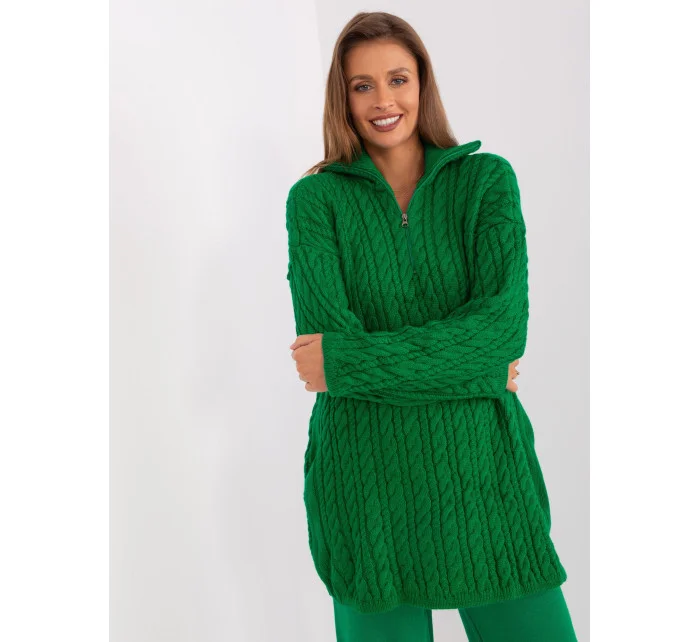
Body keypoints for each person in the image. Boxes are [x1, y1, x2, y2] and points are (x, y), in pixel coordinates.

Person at [285, 11, 578, 642]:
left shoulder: (486, 182)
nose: (383, 101)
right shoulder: (315, 201)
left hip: (485, 480)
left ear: (423, 84)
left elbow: (500, 332)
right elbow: (325, 338)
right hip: (364, 489)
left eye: (398, 79)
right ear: (342, 97)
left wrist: (348, 363)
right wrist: (473, 368)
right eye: (362, 85)